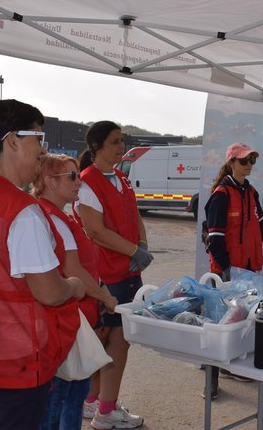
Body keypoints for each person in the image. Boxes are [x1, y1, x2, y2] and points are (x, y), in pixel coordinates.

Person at [0, 99, 85, 429]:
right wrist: (74, 286)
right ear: (12, 141)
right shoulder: (21, 211)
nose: (42, 151)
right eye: (37, 138)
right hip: (18, 355)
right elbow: (49, 292)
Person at [75, 121, 152, 429]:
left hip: (128, 272)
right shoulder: (87, 181)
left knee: (116, 340)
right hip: (107, 274)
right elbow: (95, 230)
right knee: (115, 341)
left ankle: (94, 402)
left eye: (123, 141)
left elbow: (134, 216)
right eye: (115, 142)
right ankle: (106, 410)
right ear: (96, 147)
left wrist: (142, 245)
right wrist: (134, 251)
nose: (121, 147)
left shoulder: (121, 177)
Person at [32, 154, 118, 430]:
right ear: (49, 182)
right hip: (66, 321)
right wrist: (105, 296)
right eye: (71, 176)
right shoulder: (52, 218)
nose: (78, 182)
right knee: (64, 395)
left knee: (70, 393)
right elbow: (76, 270)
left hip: (71, 317)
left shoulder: (58, 214)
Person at [203, 142, 263, 399]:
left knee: (241, 323)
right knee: (218, 325)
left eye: (251, 160)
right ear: (231, 163)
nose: (248, 164)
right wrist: (227, 268)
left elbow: (260, 224)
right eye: (243, 161)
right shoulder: (221, 194)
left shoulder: (251, 191)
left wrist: (256, 255)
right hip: (226, 272)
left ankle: (232, 366)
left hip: (248, 271)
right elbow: (214, 238)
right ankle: (211, 380)